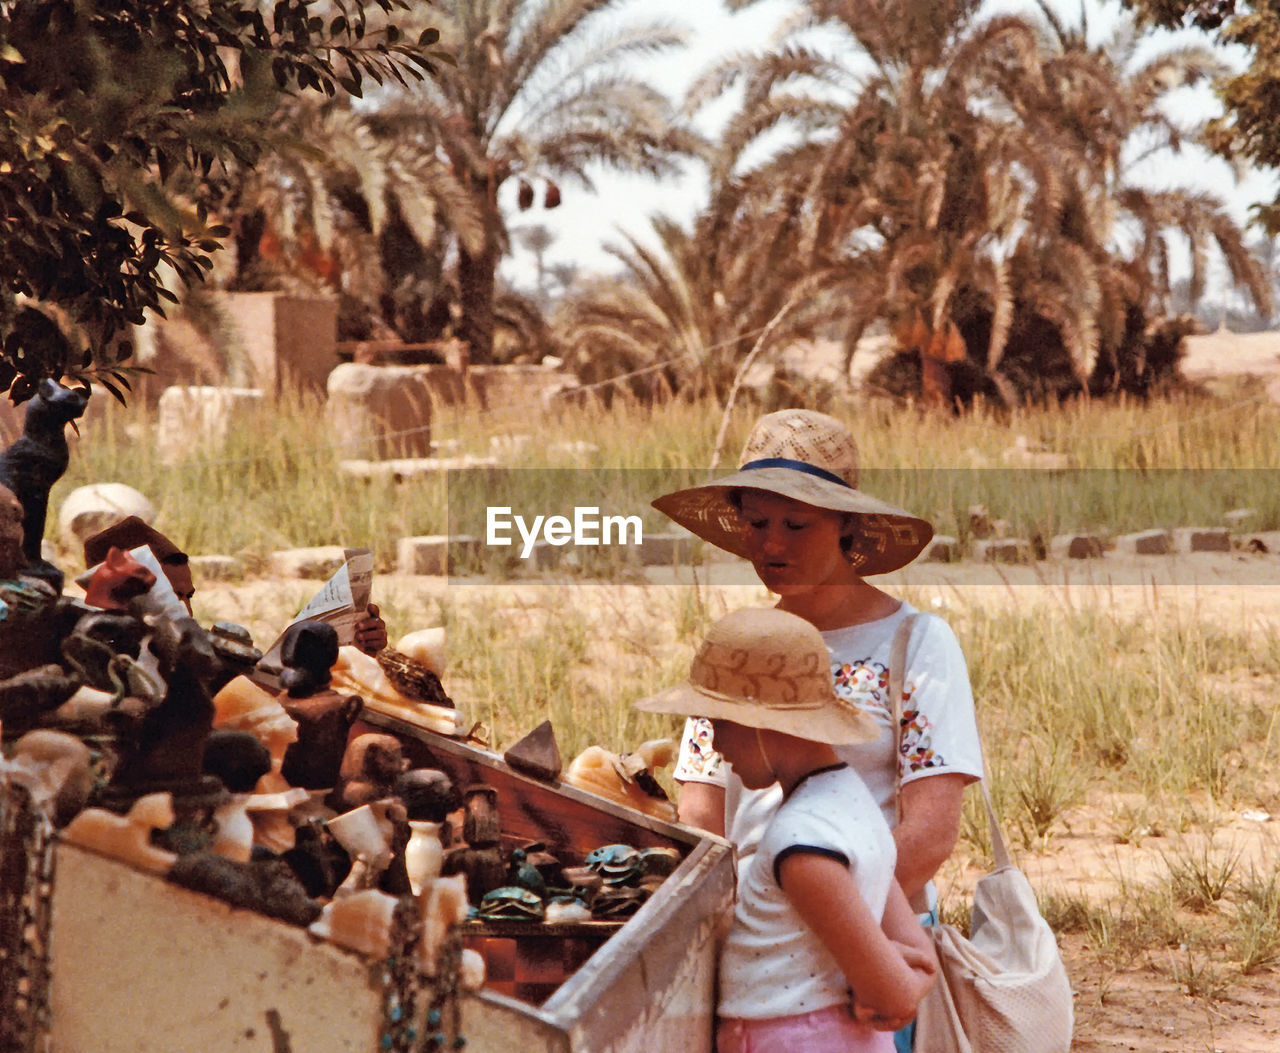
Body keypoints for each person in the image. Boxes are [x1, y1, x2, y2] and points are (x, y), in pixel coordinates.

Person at [652, 409, 983, 1050]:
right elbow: (701, 815)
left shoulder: (915, 643)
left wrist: (845, 937)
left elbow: (931, 830)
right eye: (757, 524)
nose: (773, 545)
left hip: (871, 955)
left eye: (797, 525)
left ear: (848, 524)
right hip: (752, 959)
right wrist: (745, 938)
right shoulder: (739, 647)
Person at [636, 606, 937, 1052]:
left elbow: (888, 994)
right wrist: (907, 979)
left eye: (720, 724)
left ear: (763, 720)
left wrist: (897, 990)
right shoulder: (855, 806)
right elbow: (919, 955)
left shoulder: (800, 845)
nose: (714, 745)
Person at [82, 516, 388, 655]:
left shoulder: (199, 647)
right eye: (173, 596)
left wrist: (357, 650)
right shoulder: (90, 654)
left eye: (188, 596)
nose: (186, 609)